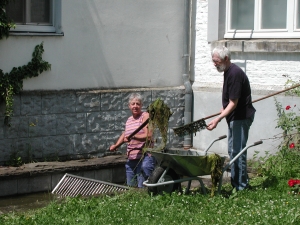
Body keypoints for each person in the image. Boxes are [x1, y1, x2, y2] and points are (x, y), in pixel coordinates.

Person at [206, 46, 256, 191]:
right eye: (213, 61)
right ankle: (238, 183)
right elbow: (231, 101)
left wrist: (217, 119)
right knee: (233, 151)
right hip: (235, 117)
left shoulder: (234, 74)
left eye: (216, 61)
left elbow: (234, 103)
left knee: (238, 152)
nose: (214, 63)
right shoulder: (228, 71)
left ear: (226, 59)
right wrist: (223, 110)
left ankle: (241, 187)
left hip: (240, 118)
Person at [109, 93, 156, 188]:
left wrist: (134, 137)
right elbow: (125, 134)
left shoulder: (145, 116)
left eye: (138, 104)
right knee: (131, 187)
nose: (135, 106)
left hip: (144, 157)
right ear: (129, 106)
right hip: (131, 158)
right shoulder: (129, 120)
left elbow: (149, 136)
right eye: (133, 104)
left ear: (141, 105)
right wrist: (116, 145)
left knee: (142, 187)